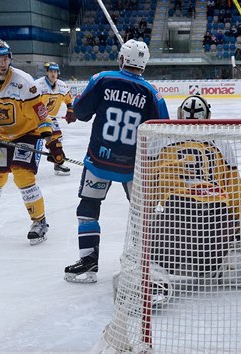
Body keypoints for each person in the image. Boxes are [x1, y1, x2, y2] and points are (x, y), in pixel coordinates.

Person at [141, 95, 241, 298]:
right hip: (217, 217)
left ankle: (155, 280)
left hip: (177, 215)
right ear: (208, 116)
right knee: (215, 258)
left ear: (179, 115)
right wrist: (240, 223)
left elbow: (148, 187)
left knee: (155, 255)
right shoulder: (220, 142)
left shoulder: (158, 138)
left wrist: (147, 220)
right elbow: (236, 192)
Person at [64, 39, 170, 283]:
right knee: (143, 214)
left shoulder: (102, 79)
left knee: (88, 209)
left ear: (122, 58)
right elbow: (161, 132)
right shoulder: (152, 93)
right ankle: (145, 265)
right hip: (134, 167)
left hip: (98, 161)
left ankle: (88, 264)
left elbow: (80, 113)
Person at [0, 40, 63, 244]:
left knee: (23, 176)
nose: (2, 63)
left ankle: (39, 220)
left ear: (10, 58)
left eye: (5, 58)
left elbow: (42, 115)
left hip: (28, 133)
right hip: (0, 134)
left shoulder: (25, 82)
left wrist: (53, 143)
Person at [34, 62, 76, 175]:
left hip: (51, 118)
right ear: (47, 72)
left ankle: (58, 163)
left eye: (55, 72)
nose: (53, 74)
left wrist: (70, 110)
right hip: (35, 118)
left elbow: (68, 100)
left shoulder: (62, 85)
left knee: (56, 139)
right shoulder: (38, 85)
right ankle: (29, 166)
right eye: (51, 71)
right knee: (34, 140)